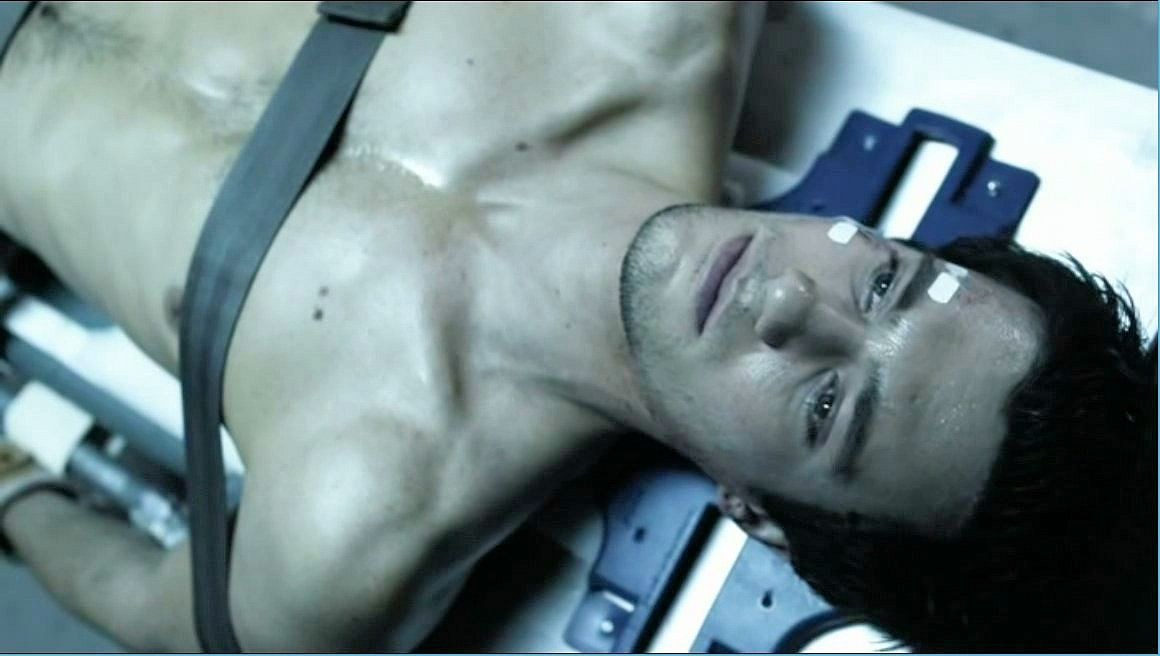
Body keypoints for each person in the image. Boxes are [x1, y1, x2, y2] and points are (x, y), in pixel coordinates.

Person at [0, 1, 1152, 652]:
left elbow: (148, 607)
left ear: (757, 514)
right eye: (885, 282)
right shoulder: (649, 19)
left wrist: (12, 485)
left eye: (821, 405)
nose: (786, 300)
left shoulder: (356, 519)